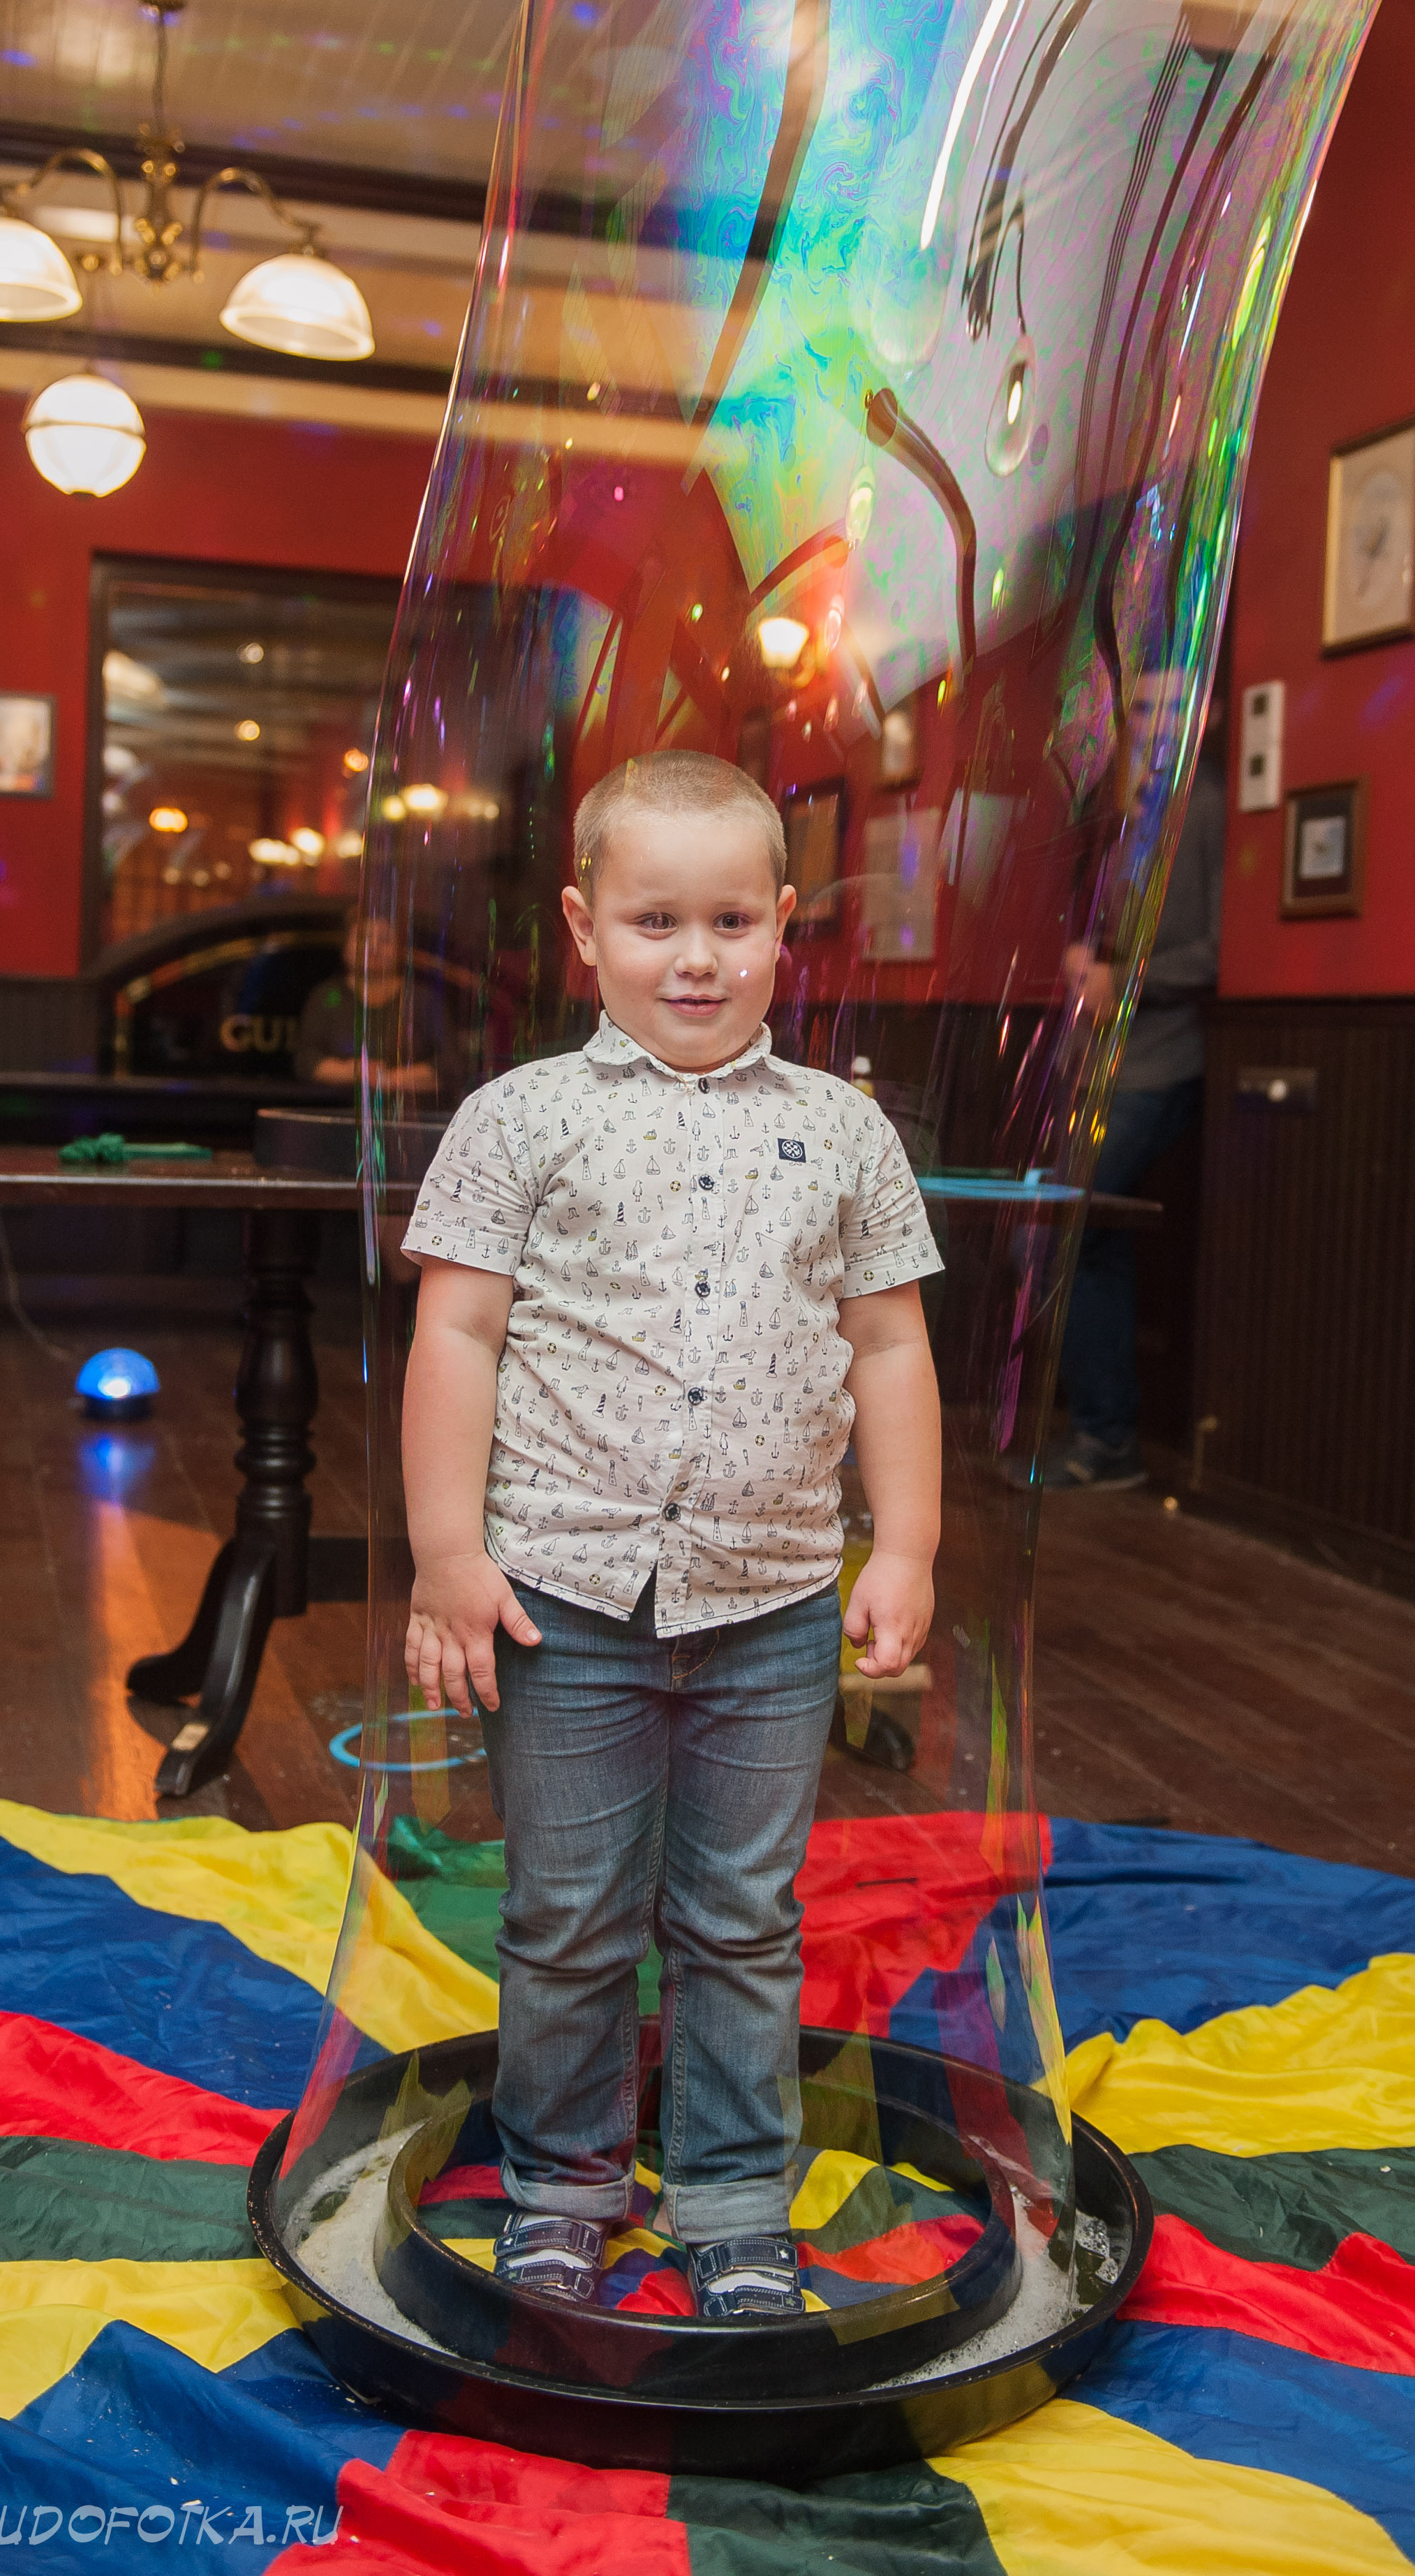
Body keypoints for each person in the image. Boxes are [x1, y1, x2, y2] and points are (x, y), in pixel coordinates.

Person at [399, 750, 943, 2321]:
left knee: (739, 1915)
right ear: (583, 928)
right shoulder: (521, 1121)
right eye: (651, 921)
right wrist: (449, 1549)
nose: (691, 957)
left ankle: (726, 2196)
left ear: (784, 925)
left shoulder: (841, 1137)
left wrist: (896, 1547)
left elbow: (889, 1348)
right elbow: (459, 1339)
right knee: (567, 1914)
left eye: (726, 920)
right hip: (559, 1598)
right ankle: (562, 2179)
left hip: (770, 1602)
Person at [1047, 750, 1224, 1490]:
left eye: (1160, 709)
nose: (1148, 731)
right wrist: (1084, 955)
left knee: (1080, 1228)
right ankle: (1099, 1431)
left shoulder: (1208, 805)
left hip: (1164, 1062)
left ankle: (1107, 1438)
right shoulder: (1124, 814)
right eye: (1137, 715)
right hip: (1102, 1065)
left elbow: (1216, 955)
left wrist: (1122, 978)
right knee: (1084, 1235)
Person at [295, 905, 443, 1095]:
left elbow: (450, 1065)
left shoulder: (424, 1000)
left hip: (411, 1115)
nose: (374, 948)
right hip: (337, 1111)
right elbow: (306, 1060)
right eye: (363, 939)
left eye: (384, 940)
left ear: (400, 949)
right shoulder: (326, 997)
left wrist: (390, 1079)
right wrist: (355, 1073)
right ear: (346, 947)